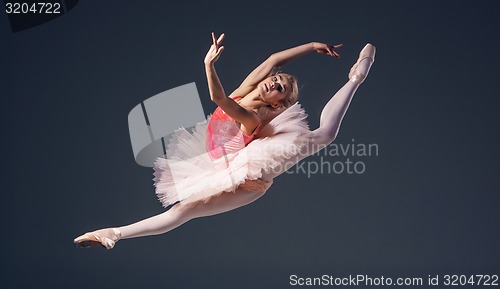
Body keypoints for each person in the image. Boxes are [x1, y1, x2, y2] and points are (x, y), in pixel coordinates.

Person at [74, 33, 375, 249]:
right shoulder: (244, 90)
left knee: (324, 135)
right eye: (278, 79)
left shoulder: (251, 117)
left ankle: (354, 80)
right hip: (219, 162)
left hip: (249, 178)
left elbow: (217, 97)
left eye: (281, 89)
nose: (275, 82)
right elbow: (273, 60)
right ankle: (114, 233)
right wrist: (312, 46)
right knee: (181, 212)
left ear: (278, 104)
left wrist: (209, 65)